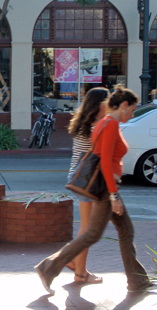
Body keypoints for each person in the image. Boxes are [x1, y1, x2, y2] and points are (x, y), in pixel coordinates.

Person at [35, 85, 156, 295]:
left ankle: (138, 281)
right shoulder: (108, 124)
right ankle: (49, 268)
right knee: (92, 233)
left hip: (107, 186)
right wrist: (113, 195)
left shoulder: (107, 122)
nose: (133, 114)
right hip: (105, 188)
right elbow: (106, 162)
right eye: (133, 109)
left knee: (125, 231)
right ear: (124, 105)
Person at [65, 87, 109, 284]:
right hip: (87, 177)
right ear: (100, 104)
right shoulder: (96, 125)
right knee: (87, 228)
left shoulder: (81, 121)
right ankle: (80, 272)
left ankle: (76, 264)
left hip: (77, 175)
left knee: (86, 226)